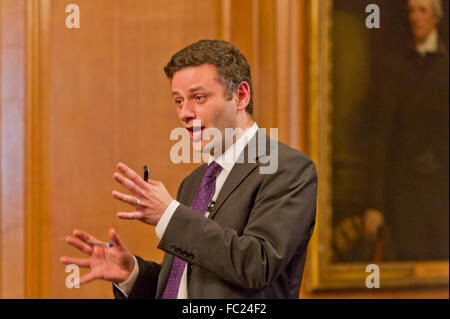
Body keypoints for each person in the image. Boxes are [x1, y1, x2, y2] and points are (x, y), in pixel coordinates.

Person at [60, 40, 317, 298]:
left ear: (240, 96)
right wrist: (132, 274)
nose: (184, 113)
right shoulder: (194, 182)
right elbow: (191, 285)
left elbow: (256, 265)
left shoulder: (287, 169)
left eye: (198, 98)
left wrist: (170, 215)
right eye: (179, 101)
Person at [362, 0, 449, 261]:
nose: (415, 18)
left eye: (422, 11)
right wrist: (375, 204)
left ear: (436, 17)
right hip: (405, 195)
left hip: (443, 192)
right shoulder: (394, 69)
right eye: (411, 11)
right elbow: (380, 138)